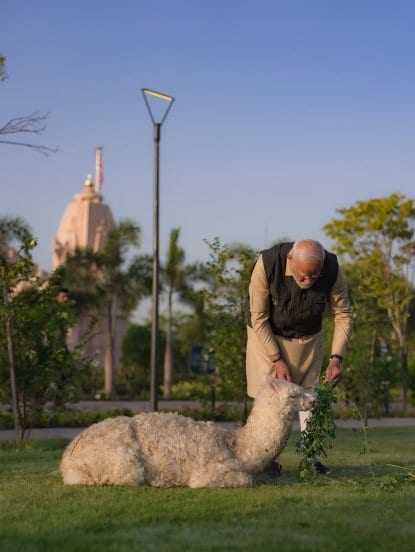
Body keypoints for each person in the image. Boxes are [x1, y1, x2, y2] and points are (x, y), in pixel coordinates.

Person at [246, 239, 352, 476]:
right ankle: (268, 459)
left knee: (309, 396)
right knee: (272, 398)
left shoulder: (332, 268)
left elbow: (343, 314)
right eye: (304, 276)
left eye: (315, 277)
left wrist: (336, 358)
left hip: (307, 338)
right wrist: (276, 359)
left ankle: (310, 457)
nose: (309, 282)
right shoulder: (267, 263)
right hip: (266, 334)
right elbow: (258, 317)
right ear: (290, 260)